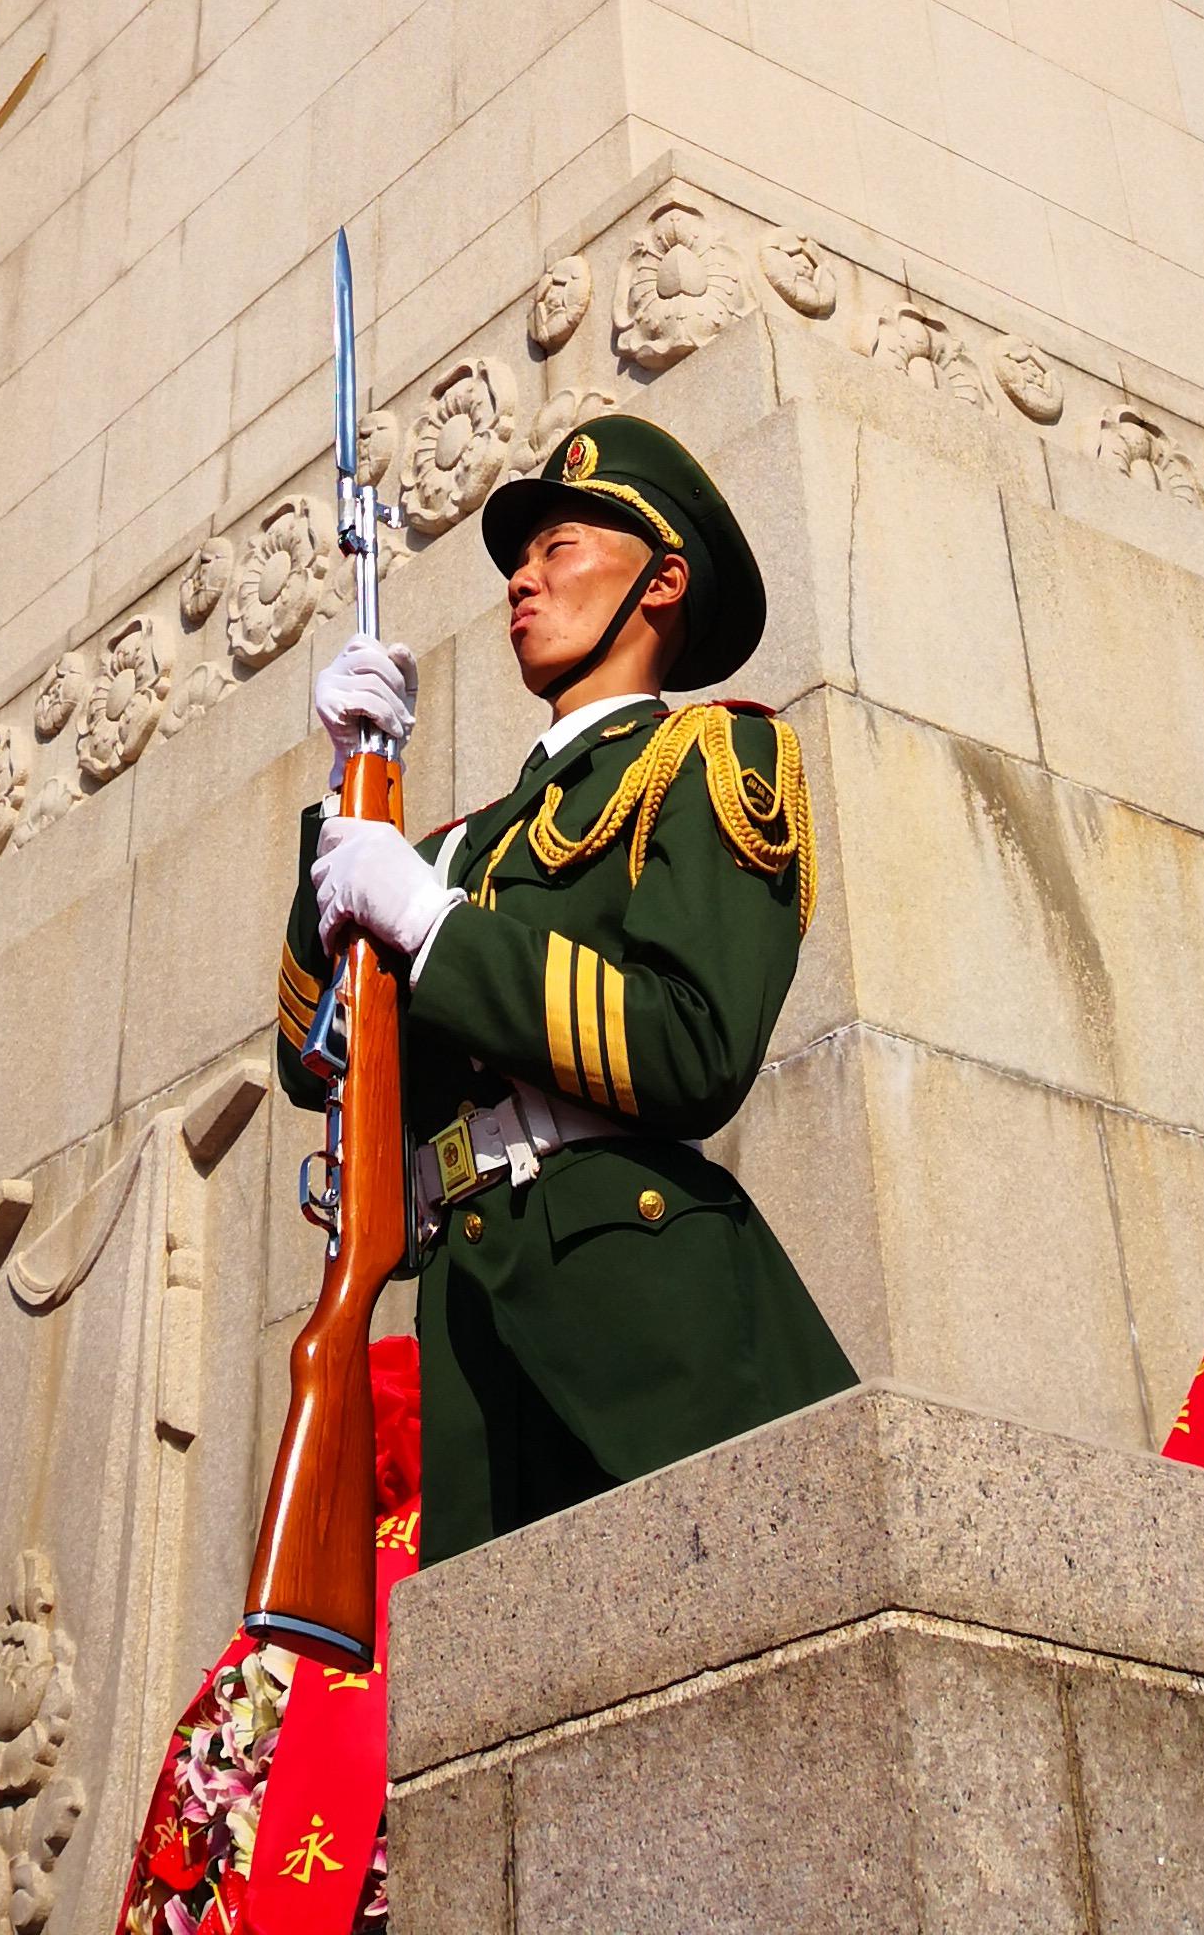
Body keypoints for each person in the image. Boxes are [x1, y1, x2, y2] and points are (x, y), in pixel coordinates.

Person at [273, 412, 855, 1563]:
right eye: (517, 560)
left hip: (640, 1296)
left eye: (560, 548)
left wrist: (437, 933)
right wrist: (348, 795)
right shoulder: (452, 846)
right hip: (471, 1321)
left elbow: (692, 1044)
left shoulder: (704, 762)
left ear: (663, 580)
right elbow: (311, 1055)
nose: (521, 582)